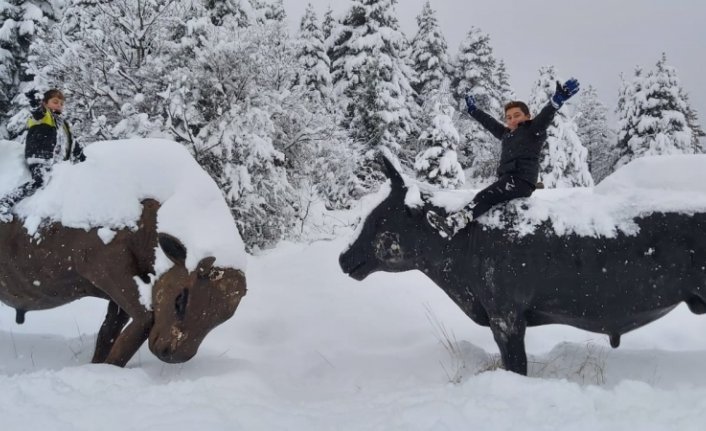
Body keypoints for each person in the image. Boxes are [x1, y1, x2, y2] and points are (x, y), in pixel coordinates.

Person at [426, 78, 580, 238]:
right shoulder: (506, 134)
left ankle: (454, 223)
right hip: (509, 180)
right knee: (486, 197)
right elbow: (490, 123)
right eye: (509, 117)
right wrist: (473, 111)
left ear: (528, 116)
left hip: (522, 180)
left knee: (485, 196)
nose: (512, 119)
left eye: (517, 115)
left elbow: (544, 118)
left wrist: (555, 102)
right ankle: (459, 221)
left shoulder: (532, 130)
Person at [0, 89, 85, 222]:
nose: (59, 105)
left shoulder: (62, 124)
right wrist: (34, 101)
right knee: (40, 180)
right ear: (45, 103)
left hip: (53, 160)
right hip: (39, 155)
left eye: (61, 103)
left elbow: (71, 141)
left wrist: (81, 156)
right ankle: (5, 202)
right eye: (55, 102)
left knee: (54, 181)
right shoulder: (45, 115)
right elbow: (37, 112)